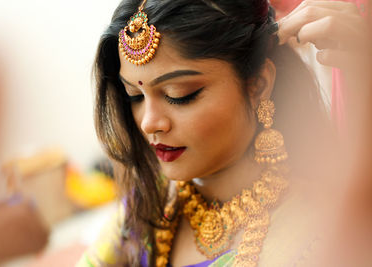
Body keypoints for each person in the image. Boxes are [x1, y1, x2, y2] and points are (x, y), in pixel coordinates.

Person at [77, 0, 371, 266]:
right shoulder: (149, 202)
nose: (149, 123)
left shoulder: (317, 228)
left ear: (258, 85)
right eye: (135, 96)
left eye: (179, 95)